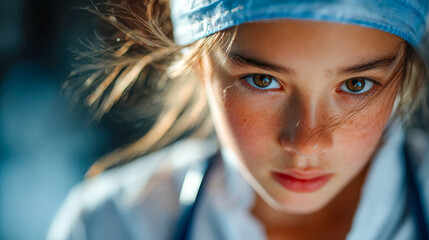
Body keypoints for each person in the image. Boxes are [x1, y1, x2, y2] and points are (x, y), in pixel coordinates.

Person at [47, 0, 429, 239]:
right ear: (198, 65)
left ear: (404, 78)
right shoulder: (111, 224)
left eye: (357, 84)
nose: (306, 141)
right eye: (263, 81)